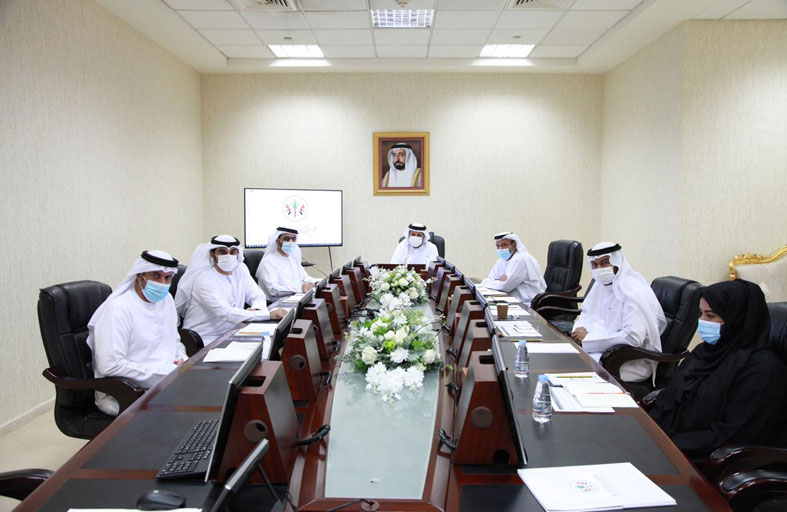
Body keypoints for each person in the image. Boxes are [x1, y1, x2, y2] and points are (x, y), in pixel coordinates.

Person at [649, 280, 787, 464]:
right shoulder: (704, 352)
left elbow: (732, 434)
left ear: (736, 318)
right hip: (668, 443)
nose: (702, 322)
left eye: (711, 315)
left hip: (707, 461)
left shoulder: (763, 370)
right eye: (701, 314)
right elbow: (671, 397)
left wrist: (668, 446)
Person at [87, 250, 186, 416]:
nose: (162, 283)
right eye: (156, 276)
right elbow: (110, 366)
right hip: (126, 392)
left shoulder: (167, 299)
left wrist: (182, 358)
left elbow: (174, 340)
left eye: (168, 278)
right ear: (140, 276)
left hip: (166, 381)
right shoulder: (119, 308)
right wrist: (165, 372)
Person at [571, 242, 667, 383]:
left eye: (605, 263)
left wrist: (588, 339)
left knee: (572, 374)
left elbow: (633, 337)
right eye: (595, 264)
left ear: (617, 262)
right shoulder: (599, 286)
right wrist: (579, 330)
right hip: (599, 352)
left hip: (626, 362)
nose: (599, 269)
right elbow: (586, 314)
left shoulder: (632, 291)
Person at [176, 235, 285, 343]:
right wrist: (265, 315)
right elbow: (225, 312)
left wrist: (257, 309)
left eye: (233, 252)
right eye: (222, 252)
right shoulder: (204, 279)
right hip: (206, 338)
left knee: (273, 341)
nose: (228, 255)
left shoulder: (241, 270)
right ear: (212, 255)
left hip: (234, 330)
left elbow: (257, 295)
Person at [480, 232, 546, 305]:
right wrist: (498, 281)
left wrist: (495, 281)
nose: (500, 249)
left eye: (504, 245)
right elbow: (487, 280)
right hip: (510, 299)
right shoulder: (501, 260)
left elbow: (505, 287)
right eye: (498, 246)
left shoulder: (520, 260)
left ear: (514, 245)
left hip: (526, 303)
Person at [257, 227, 319, 300]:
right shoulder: (268, 262)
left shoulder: (292, 258)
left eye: (293, 239)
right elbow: (273, 290)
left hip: (296, 298)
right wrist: (300, 288)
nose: (290, 242)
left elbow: (304, 277)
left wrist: (316, 283)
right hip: (278, 302)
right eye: (286, 239)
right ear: (277, 241)